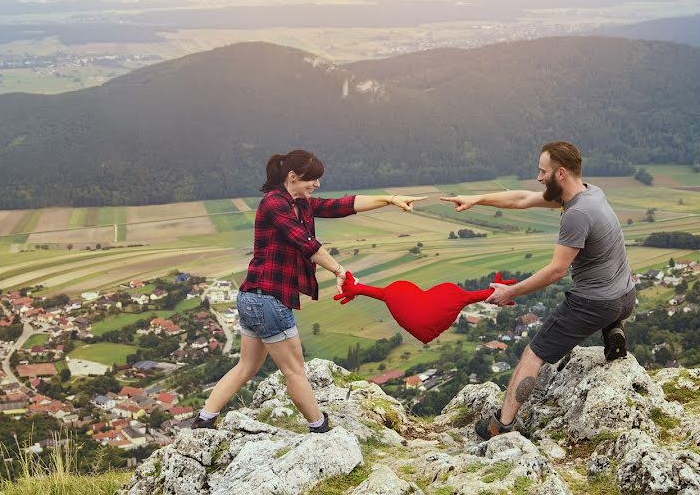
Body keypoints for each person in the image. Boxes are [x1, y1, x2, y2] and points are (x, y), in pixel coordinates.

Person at [193, 149, 425, 431]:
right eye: (311, 180)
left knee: (246, 366)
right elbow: (305, 243)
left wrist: (389, 199)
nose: (316, 185)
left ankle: (204, 420)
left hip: (251, 297)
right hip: (269, 300)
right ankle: (320, 427)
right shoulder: (274, 204)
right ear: (292, 177)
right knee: (295, 372)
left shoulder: (300, 203)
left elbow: (342, 205)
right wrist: (340, 271)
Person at [441, 141, 636, 440]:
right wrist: (477, 198)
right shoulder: (591, 193)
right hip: (625, 297)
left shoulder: (576, 214)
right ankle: (613, 330)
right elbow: (521, 199)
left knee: (532, 355)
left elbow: (556, 270)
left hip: (596, 304)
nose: (538, 178)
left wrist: (511, 292)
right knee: (603, 286)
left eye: (542, 171)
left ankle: (501, 424)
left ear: (560, 173)